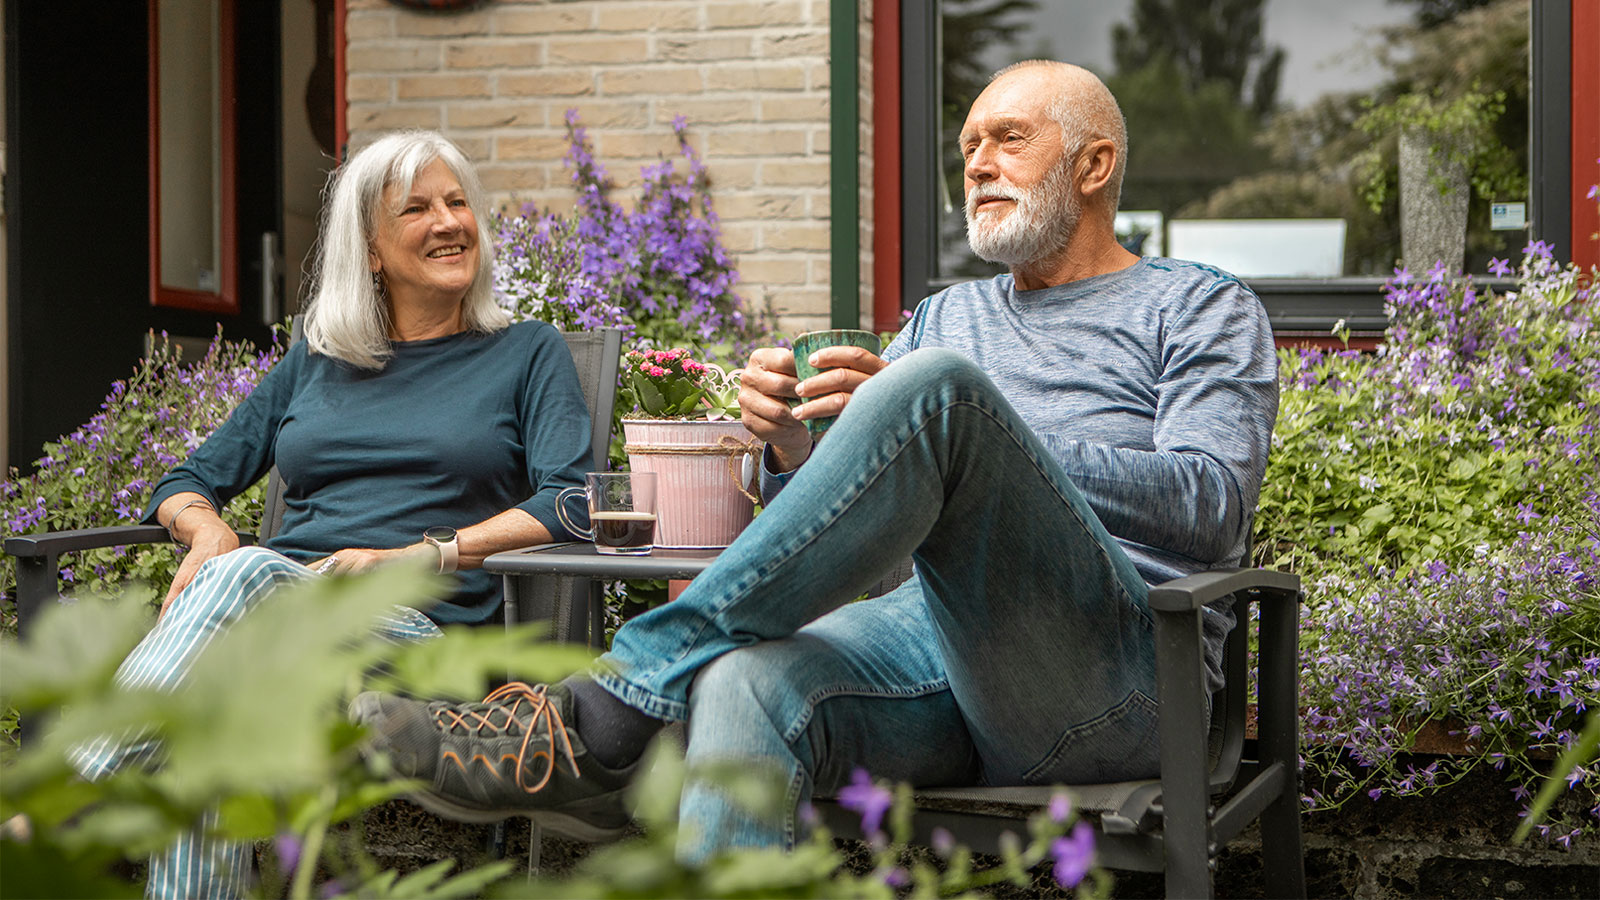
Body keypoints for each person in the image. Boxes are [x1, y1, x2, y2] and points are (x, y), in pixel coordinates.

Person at [352, 60, 1278, 861]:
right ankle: (637, 711)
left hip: (1114, 680)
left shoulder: (1197, 305)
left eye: (1008, 140)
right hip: (939, 660)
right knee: (744, 684)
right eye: (967, 149)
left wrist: (980, 437)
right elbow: (864, 549)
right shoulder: (949, 313)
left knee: (940, 392)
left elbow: (1211, 506)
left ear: (1095, 165)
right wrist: (794, 447)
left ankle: (612, 706)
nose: (978, 165)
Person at [70, 130, 594, 898]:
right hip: (279, 620)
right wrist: (207, 527)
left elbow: (570, 500)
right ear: (372, 250)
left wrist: (423, 555)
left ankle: (65, 802)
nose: (449, 221)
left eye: (458, 203)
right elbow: (189, 479)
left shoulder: (526, 354)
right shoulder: (316, 360)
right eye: (417, 209)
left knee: (246, 577)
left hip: (424, 640)